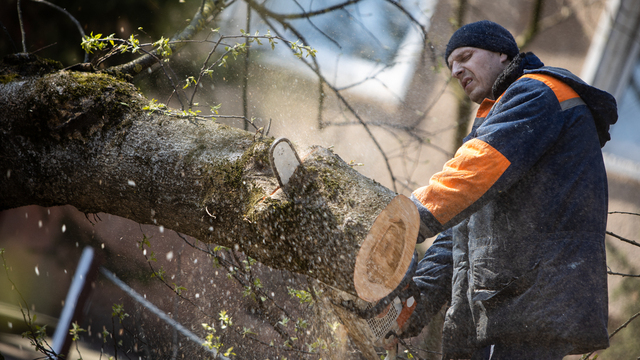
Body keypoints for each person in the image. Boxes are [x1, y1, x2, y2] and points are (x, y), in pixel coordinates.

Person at [403, 20, 618, 359]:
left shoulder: (539, 93)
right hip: (497, 306)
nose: (457, 69)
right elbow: (462, 228)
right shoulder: (496, 117)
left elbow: (477, 168)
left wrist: (406, 219)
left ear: (502, 53)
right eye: (451, 65)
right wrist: (418, 301)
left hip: (527, 303)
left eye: (465, 56)